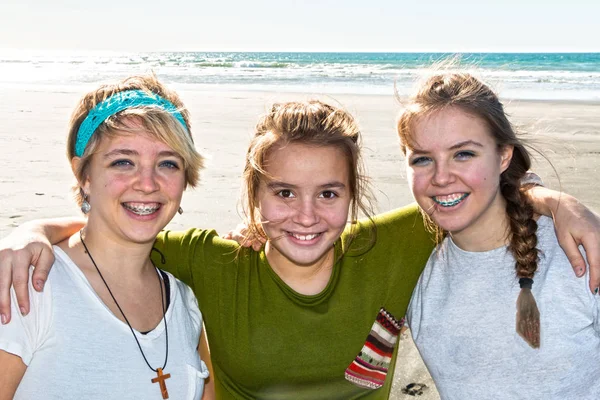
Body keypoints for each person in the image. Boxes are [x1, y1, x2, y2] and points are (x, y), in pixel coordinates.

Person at [0, 100, 599, 399]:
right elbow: (123, 228)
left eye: (329, 193)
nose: (307, 216)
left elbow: (464, 197)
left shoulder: (392, 245)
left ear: (353, 194)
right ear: (254, 197)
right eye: (284, 193)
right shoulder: (212, 260)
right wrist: (31, 232)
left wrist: (550, 199)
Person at [0, 75, 213, 399]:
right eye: (123, 162)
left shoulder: (185, 304)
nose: (147, 183)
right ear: (83, 175)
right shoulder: (30, 285)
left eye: (167, 163)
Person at [400, 71, 600, 398]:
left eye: (463, 154)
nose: (441, 177)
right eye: (422, 159)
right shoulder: (410, 265)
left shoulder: (578, 251)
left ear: (503, 156)